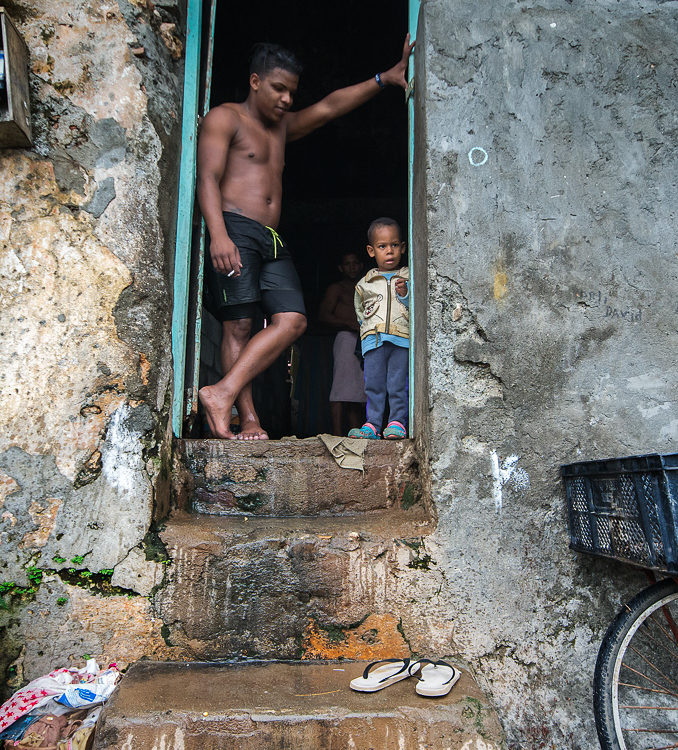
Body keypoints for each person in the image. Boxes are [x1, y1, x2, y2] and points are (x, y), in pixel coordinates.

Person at [197, 37, 415, 440]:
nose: (286, 99)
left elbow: (330, 106)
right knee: (240, 326)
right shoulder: (224, 119)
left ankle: (221, 391)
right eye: (279, 89)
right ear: (255, 81)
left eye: (292, 92)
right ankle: (247, 418)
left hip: (271, 238)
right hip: (234, 228)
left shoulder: (282, 127)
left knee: (294, 319)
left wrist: (384, 79)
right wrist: (218, 234)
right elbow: (207, 177)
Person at [349, 217, 409, 440]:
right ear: (371, 251)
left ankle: (396, 422)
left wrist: (406, 294)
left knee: (398, 384)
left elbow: (419, 309)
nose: (390, 251)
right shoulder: (365, 283)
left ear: (402, 247)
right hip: (373, 341)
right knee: (373, 384)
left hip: (401, 339)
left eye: (394, 245)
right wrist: (367, 332)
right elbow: (359, 311)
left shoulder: (409, 277)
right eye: (382, 246)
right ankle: (373, 424)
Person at [318, 251, 366, 434]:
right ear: (341, 268)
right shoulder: (337, 289)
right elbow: (323, 315)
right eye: (347, 264)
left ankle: (355, 433)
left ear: (361, 265)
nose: (352, 267)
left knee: (356, 390)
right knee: (340, 388)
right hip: (346, 338)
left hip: (363, 339)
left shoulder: (366, 287)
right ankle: (337, 434)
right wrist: (348, 323)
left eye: (355, 263)